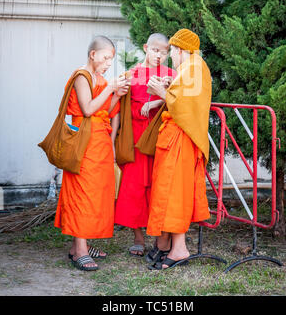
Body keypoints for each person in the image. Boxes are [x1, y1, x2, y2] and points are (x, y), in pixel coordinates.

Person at [54, 35, 130, 271]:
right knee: (82, 193)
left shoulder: (99, 78)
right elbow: (87, 109)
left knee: (97, 195)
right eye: (106, 58)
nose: (109, 63)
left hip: (99, 141)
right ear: (93, 55)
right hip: (84, 140)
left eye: (111, 59)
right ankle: (81, 250)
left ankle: (79, 247)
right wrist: (110, 88)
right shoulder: (82, 76)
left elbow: (103, 111)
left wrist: (116, 94)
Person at [144, 29, 212, 270]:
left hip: (182, 138)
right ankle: (167, 244)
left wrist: (160, 92)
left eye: (171, 51)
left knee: (175, 194)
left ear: (180, 50)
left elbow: (186, 108)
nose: (170, 56)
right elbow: (184, 98)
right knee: (168, 191)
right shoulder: (189, 68)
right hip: (174, 138)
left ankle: (179, 248)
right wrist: (170, 86)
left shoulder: (195, 66)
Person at [114, 33, 176, 257]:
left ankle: (161, 238)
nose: (159, 55)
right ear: (145, 48)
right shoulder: (131, 75)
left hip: (162, 140)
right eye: (155, 50)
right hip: (136, 142)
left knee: (159, 187)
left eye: (164, 51)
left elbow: (179, 103)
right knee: (134, 188)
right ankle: (138, 237)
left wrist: (159, 100)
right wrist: (114, 142)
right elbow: (119, 111)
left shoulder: (171, 75)